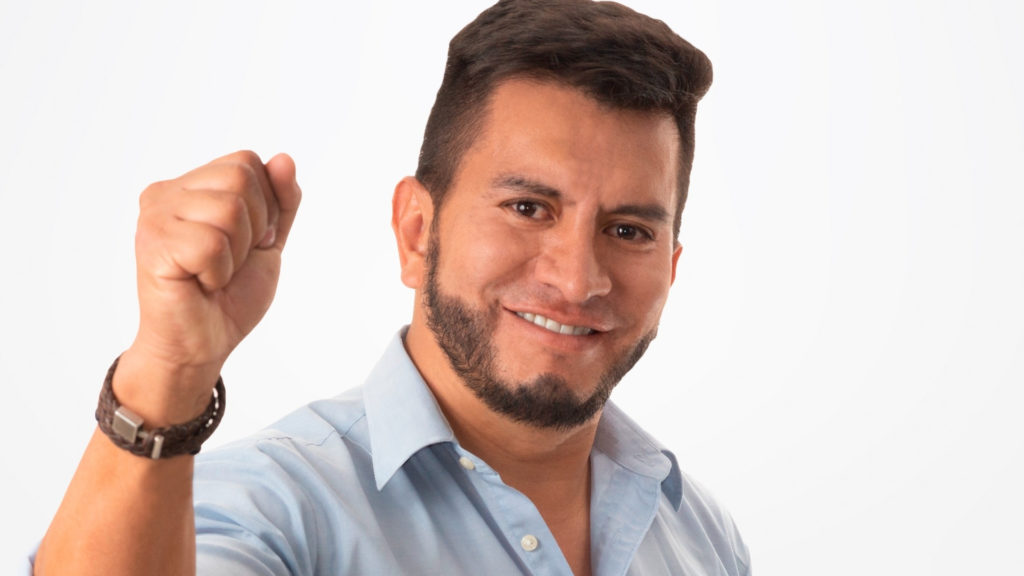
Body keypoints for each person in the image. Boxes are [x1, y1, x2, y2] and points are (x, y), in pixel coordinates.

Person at [32, 1, 749, 574]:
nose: (577, 278)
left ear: (672, 267)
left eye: (628, 230)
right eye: (528, 208)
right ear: (416, 232)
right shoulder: (271, 511)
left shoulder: (700, 536)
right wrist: (168, 374)